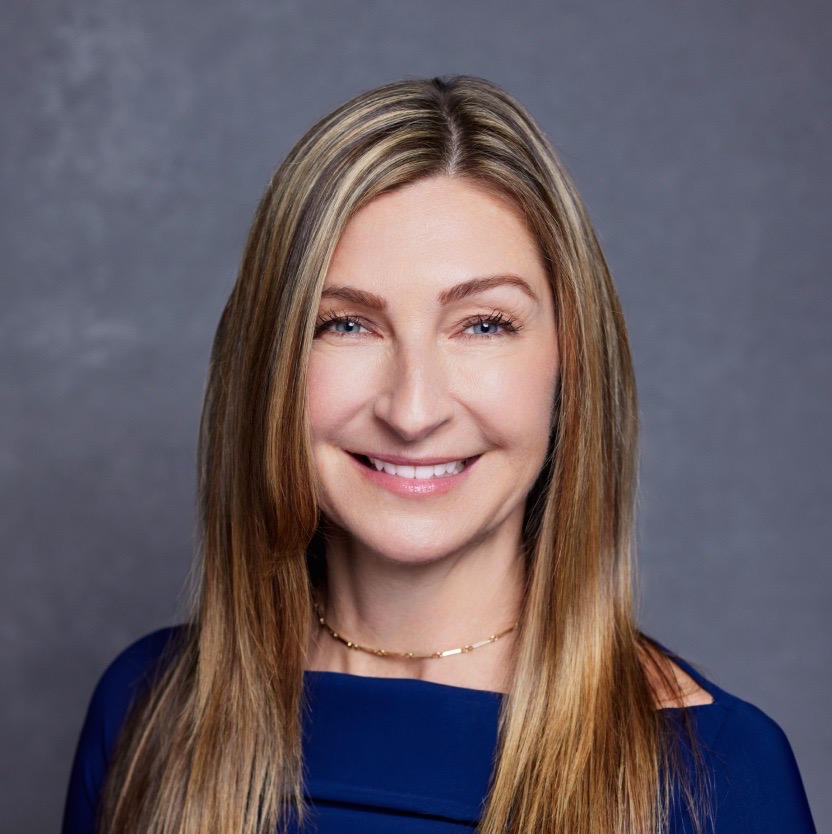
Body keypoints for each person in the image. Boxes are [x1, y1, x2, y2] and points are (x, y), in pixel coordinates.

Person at [62, 76, 816, 834]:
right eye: (346, 325)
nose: (413, 410)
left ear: (571, 362)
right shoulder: (145, 713)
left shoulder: (717, 777)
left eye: (483, 324)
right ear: (269, 366)